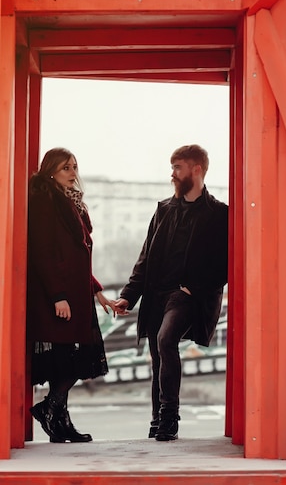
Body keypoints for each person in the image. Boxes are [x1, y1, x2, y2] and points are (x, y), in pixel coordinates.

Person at [114, 144, 228, 441]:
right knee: (157, 353)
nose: (172, 175)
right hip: (156, 293)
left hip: (186, 295)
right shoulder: (164, 209)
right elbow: (145, 257)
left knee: (166, 340)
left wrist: (194, 288)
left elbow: (227, 262)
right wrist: (128, 295)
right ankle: (157, 420)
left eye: (177, 168)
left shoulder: (219, 214)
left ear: (196, 169)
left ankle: (169, 417)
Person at [27, 147, 115, 443]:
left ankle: (59, 421)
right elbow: (42, 251)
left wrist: (97, 290)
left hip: (76, 294)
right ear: (50, 169)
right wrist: (57, 296)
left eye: (75, 167)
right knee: (73, 358)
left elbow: (78, 255)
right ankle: (50, 409)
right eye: (66, 167)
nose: (73, 173)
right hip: (58, 295)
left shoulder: (72, 202)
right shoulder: (43, 199)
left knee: (67, 359)